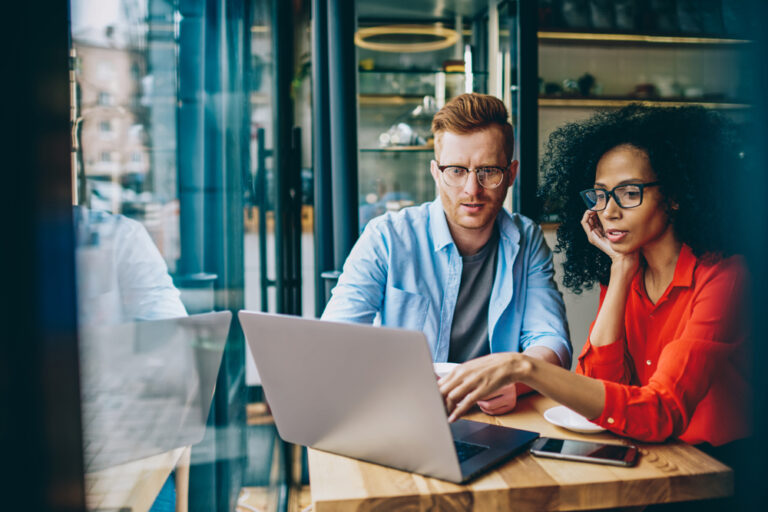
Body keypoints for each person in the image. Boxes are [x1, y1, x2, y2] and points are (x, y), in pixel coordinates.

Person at [438, 105, 750, 506]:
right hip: (652, 458)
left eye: (629, 192)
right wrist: (619, 272)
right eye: (601, 194)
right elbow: (603, 387)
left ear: (673, 196)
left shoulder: (726, 278)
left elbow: (662, 410)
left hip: (719, 474)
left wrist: (523, 366)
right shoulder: (627, 273)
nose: (609, 210)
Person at [323, 93, 571, 415]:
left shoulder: (527, 239)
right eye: (456, 170)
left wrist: (516, 382)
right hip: (403, 411)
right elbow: (335, 339)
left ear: (510, 175)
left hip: (496, 419)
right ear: (436, 173)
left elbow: (552, 341)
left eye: (488, 171)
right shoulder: (386, 237)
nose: (472, 189)